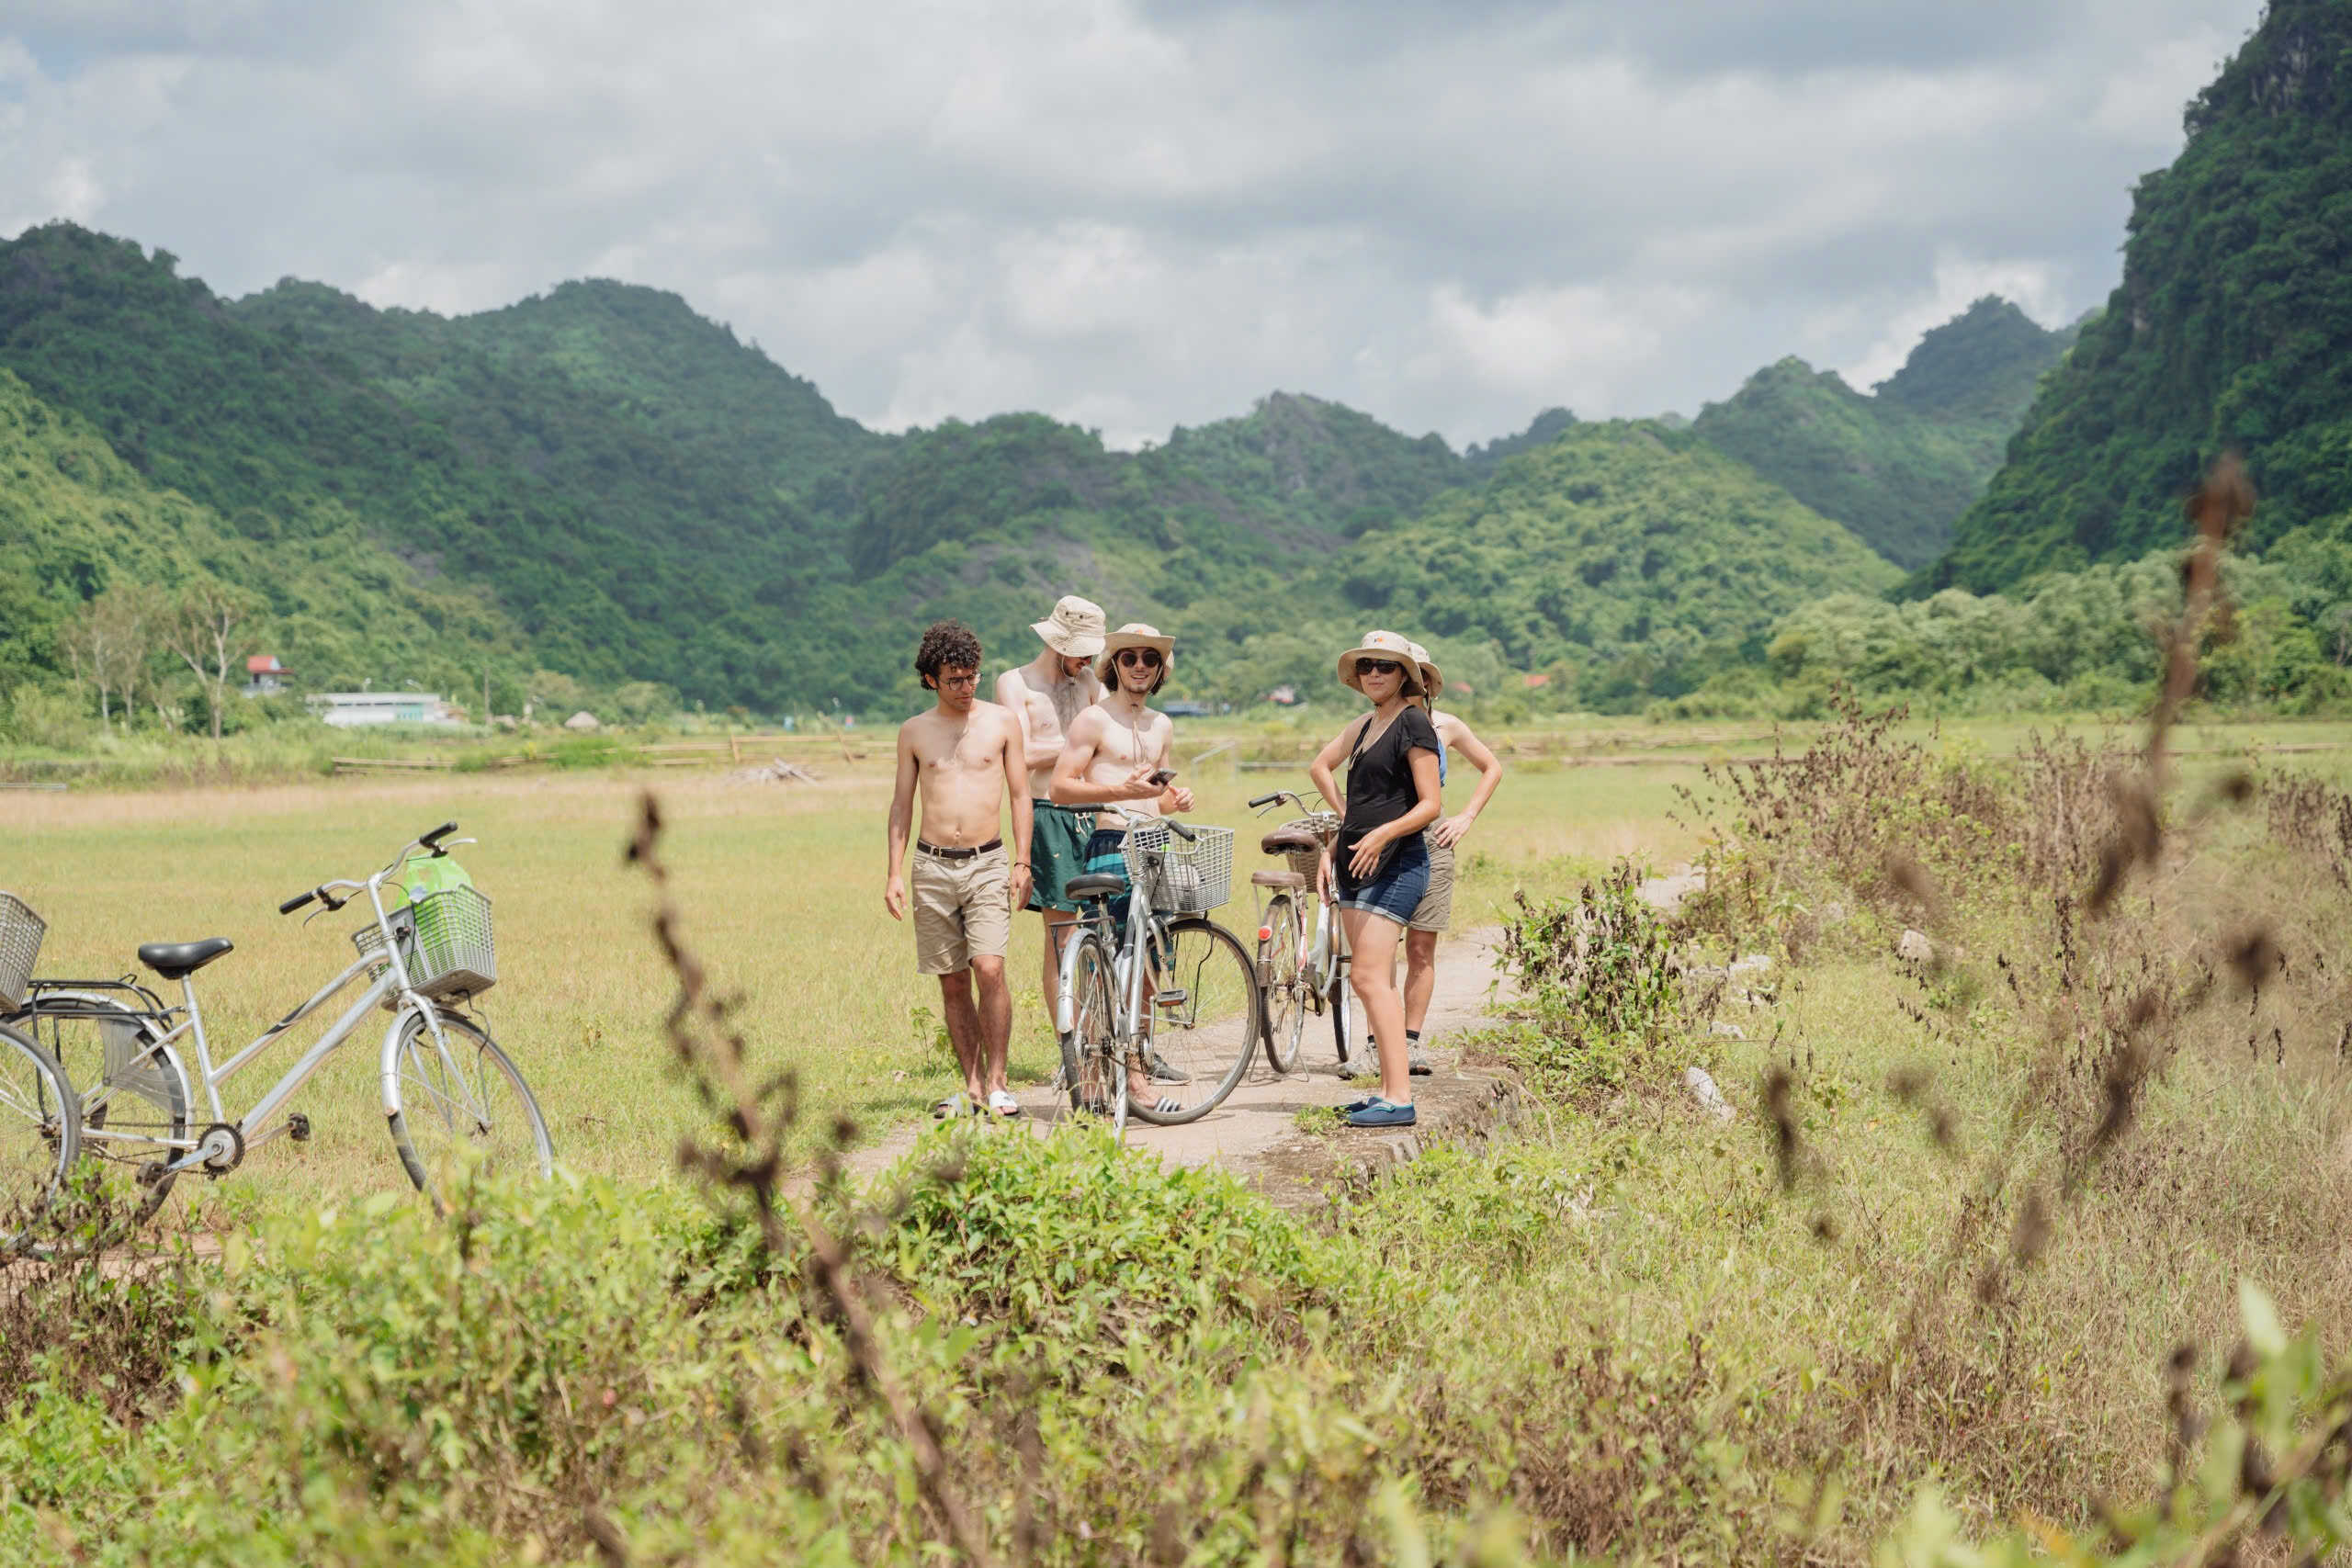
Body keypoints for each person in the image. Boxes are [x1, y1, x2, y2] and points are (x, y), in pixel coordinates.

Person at [884, 621, 1035, 1120]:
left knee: (989, 967)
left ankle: (998, 1082)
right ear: (930, 678)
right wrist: (894, 873)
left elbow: (1019, 794)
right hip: (931, 865)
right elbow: (902, 804)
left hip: (987, 861)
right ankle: (971, 1086)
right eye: (954, 679)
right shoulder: (914, 731)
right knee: (951, 982)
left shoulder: (1002, 722)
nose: (966, 688)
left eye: (972, 677)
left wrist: (1022, 860)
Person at [1050, 622, 1195, 1113]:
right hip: (1112, 839)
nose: (1139, 666)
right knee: (1106, 968)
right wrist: (1119, 792)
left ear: (1159, 671)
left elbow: (1158, 796)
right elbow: (1061, 788)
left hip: (1154, 846)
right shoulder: (1094, 720)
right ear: (1114, 665)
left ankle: (1138, 1073)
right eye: (1129, 657)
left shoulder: (1162, 725)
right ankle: (1100, 1081)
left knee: (1149, 968)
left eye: (1149, 659)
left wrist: (1176, 799)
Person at [1307, 630, 1442, 1128]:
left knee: (1367, 976)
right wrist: (1337, 841)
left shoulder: (1413, 723)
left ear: (1404, 673)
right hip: (1353, 861)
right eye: (1367, 666)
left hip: (1399, 862)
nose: (1375, 675)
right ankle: (1385, 1090)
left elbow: (1431, 804)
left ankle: (1400, 1096)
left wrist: (1382, 834)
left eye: (1386, 666)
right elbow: (1322, 769)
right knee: (1368, 979)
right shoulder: (1365, 726)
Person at [994, 595, 1108, 1058]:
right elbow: (1016, 756)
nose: (1085, 661)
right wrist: (1077, 748)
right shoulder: (1015, 684)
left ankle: (1109, 1040)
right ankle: (1073, 1047)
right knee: (1061, 934)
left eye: (1090, 654)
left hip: (1095, 810)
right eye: (1080, 652)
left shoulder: (1090, 683)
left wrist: (1072, 750)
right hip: (1047, 812)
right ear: (1057, 642)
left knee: (1108, 929)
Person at [1398, 639, 1506, 1073]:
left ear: (1429, 683)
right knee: (1378, 950)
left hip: (1431, 842)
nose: (1411, 682)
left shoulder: (1446, 726)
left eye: (1417, 674)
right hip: (1383, 842)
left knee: (1421, 947)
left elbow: (1492, 766)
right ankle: (1375, 1042)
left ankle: (1409, 1042)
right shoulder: (1373, 724)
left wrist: (1466, 817)